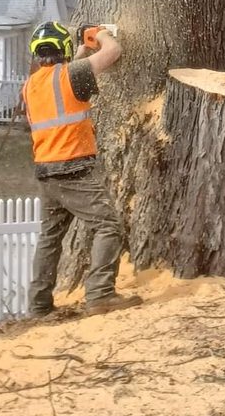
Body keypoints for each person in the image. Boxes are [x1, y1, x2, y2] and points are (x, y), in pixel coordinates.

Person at [22, 20, 142, 318]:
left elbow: (67, 81)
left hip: (46, 171)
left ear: (37, 53)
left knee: (50, 238)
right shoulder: (72, 74)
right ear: (63, 48)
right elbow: (113, 51)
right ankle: (100, 294)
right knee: (107, 225)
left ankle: (38, 305)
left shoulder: (31, 85)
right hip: (73, 169)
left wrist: (84, 48)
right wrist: (99, 34)